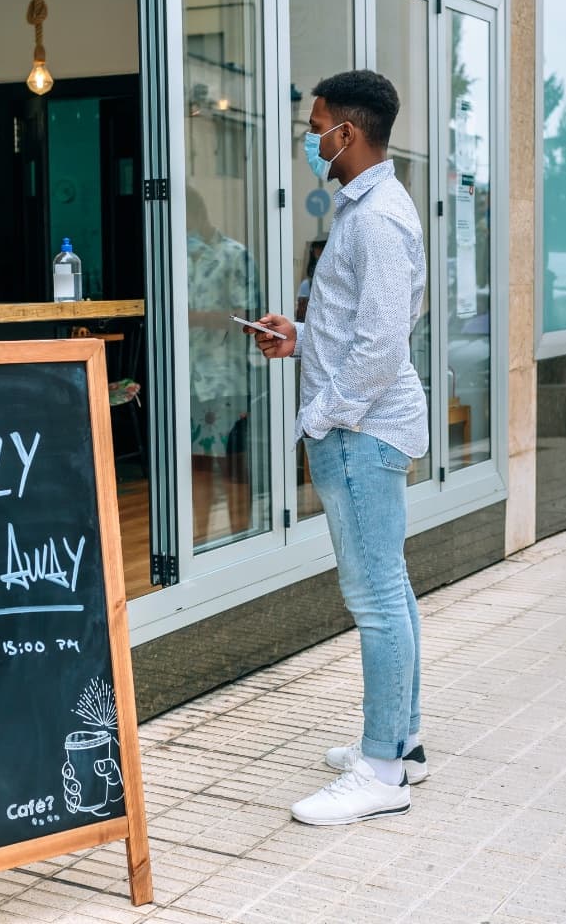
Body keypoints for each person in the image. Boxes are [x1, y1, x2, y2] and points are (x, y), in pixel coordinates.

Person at [250, 70, 428, 826]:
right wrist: (301, 339)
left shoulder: (376, 217)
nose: (309, 134)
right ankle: (402, 742)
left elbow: (382, 345)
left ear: (346, 134)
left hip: (361, 432)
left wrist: (321, 416)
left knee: (377, 599)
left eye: (315, 123)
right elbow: (360, 326)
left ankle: (382, 770)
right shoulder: (368, 208)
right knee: (392, 588)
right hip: (365, 425)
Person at [185, 188, 260, 546]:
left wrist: (195, 318)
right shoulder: (174, 258)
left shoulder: (234, 255)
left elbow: (247, 317)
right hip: (186, 378)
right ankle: (199, 543)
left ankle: (241, 538)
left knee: (233, 465)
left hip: (226, 378)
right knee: (196, 463)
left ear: (198, 215)